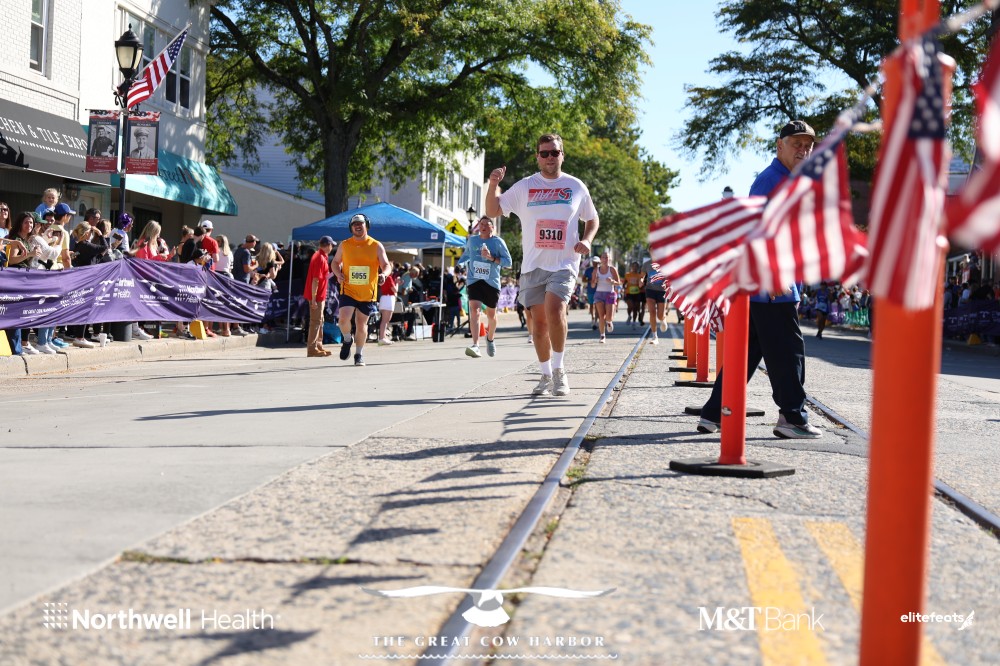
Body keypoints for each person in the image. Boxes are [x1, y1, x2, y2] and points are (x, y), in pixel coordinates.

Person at [697, 120, 822, 439]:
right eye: (796, 144)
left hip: (765, 288)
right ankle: (792, 417)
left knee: (745, 355)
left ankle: (713, 414)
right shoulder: (771, 181)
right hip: (771, 287)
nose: (803, 150)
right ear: (779, 146)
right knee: (788, 354)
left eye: (807, 145)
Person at [486, 132, 599, 396]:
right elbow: (492, 211)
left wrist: (587, 240)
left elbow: (592, 218)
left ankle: (560, 372)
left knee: (556, 310)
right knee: (538, 326)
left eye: (554, 152)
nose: (550, 157)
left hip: (564, 264)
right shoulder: (525, 186)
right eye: (544, 153)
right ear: (537, 157)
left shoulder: (575, 186)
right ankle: (546, 374)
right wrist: (493, 184)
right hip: (532, 266)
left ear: (562, 155)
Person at [330, 212, 391, 367]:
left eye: (360, 223)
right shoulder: (345, 245)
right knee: (343, 320)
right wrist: (338, 274)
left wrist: (384, 274)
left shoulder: (376, 245)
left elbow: (386, 265)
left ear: (366, 226)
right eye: (354, 224)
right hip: (348, 289)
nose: (357, 226)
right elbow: (335, 263)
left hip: (367, 293)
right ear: (351, 228)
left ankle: (359, 354)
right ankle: (347, 339)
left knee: (361, 324)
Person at [458, 216, 513, 358]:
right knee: (474, 311)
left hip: (491, 282)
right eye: (481, 224)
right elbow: (466, 254)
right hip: (474, 280)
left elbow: (508, 262)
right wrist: (460, 264)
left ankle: (490, 339)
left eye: (486, 224)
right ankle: (475, 345)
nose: (483, 227)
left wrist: (491, 258)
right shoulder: (472, 240)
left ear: (492, 228)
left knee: (491, 315)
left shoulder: (498, 242)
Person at [304, 236, 336, 357]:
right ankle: (312, 348)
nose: (332, 247)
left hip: (319, 296)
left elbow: (323, 278)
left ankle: (318, 345)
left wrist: (334, 273)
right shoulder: (320, 258)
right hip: (317, 296)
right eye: (332, 245)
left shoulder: (321, 256)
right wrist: (313, 299)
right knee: (315, 322)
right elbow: (315, 280)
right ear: (328, 245)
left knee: (319, 320)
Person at [590, 251, 619, 343]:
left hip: (610, 294)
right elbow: (592, 285)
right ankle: (602, 336)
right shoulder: (596, 270)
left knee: (609, 317)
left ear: (609, 259)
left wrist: (612, 281)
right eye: (603, 257)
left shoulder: (612, 269)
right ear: (600, 259)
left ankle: (609, 322)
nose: (605, 259)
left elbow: (618, 282)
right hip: (599, 294)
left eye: (606, 257)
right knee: (601, 316)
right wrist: (595, 281)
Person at [641, 255, 668, 344]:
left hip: (662, 291)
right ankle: (654, 336)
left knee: (660, 315)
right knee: (652, 312)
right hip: (650, 290)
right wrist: (641, 280)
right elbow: (642, 276)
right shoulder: (646, 264)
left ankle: (663, 318)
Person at [377, 261, 398, 345]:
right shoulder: (389, 278)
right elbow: (395, 290)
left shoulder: (383, 277)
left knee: (385, 320)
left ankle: (384, 337)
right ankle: (382, 338)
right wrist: (397, 283)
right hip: (388, 298)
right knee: (385, 320)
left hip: (384, 298)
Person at [624, 261, 644, 327]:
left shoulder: (640, 276)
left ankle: (634, 321)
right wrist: (624, 286)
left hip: (637, 293)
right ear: (631, 267)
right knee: (630, 306)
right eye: (633, 266)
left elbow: (642, 285)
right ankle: (629, 315)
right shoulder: (627, 275)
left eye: (636, 266)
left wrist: (641, 285)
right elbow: (624, 283)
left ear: (638, 267)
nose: (635, 268)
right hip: (629, 293)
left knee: (636, 308)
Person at [582, 256, 600, 330]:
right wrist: (589, 281)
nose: (594, 263)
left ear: (599, 262)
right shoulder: (588, 270)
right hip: (590, 290)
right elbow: (583, 279)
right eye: (593, 262)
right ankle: (593, 318)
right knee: (592, 305)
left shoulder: (601, 270)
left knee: (597, 306)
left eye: (596, 262)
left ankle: (596, 320)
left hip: (599, 290)